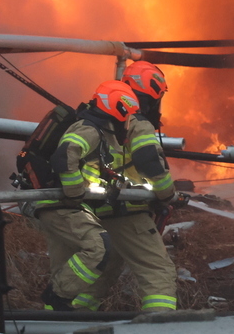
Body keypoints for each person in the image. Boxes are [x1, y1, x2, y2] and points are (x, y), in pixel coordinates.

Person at [71, 67, 180, 314]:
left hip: (98, 209)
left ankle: (73, 319)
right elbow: (148, 161)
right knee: (157, 270)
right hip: (127, 212)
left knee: (101, 274)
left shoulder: (103, 118)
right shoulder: (138, 122)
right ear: (151, 96)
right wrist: (167, 193)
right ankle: (161, 326)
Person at [33, 80, 138, 311]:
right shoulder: (89, 129)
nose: (128, 121)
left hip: (54, 204)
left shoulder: (95, 130)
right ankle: (57, 298)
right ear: (118, 110)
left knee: (63, 267)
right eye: (128, 114)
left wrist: (105, 183)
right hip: (61, 204)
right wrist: (74, 193)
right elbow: (65, 156)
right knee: (98, 246)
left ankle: (52, 323)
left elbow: (83, 166)